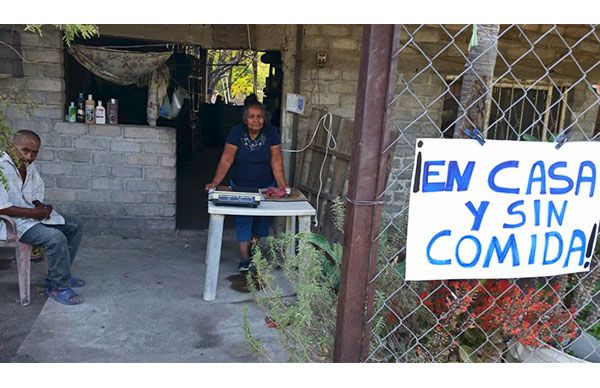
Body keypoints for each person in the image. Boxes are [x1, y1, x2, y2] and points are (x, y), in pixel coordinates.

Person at [0, 130, 84, 305]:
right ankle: (58, 287)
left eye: (34, 152)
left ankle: (60, 275)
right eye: (25, 150)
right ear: (12, 146)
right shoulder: (1, 167)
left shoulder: (29, 166)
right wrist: (34, 213)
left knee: (74, 224)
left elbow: (36, 193)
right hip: (10, 223)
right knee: (55, 237)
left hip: (30, 217)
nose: (29, 156)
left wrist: (42, 207)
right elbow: (2, 208)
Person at [205, 102, 288, 272]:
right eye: (252, 117)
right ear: (245, 120)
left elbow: (276, 160)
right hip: (241, 185)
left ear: (264, 119)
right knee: (243, 220)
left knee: (260, 222)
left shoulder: (271, 132)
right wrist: (215, 182)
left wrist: (282, 187)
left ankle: (253, 251)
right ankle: (244, 258)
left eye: (260, 117)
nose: (256, 120)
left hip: (265, 186)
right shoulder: (236, 132)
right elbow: (226, 159)